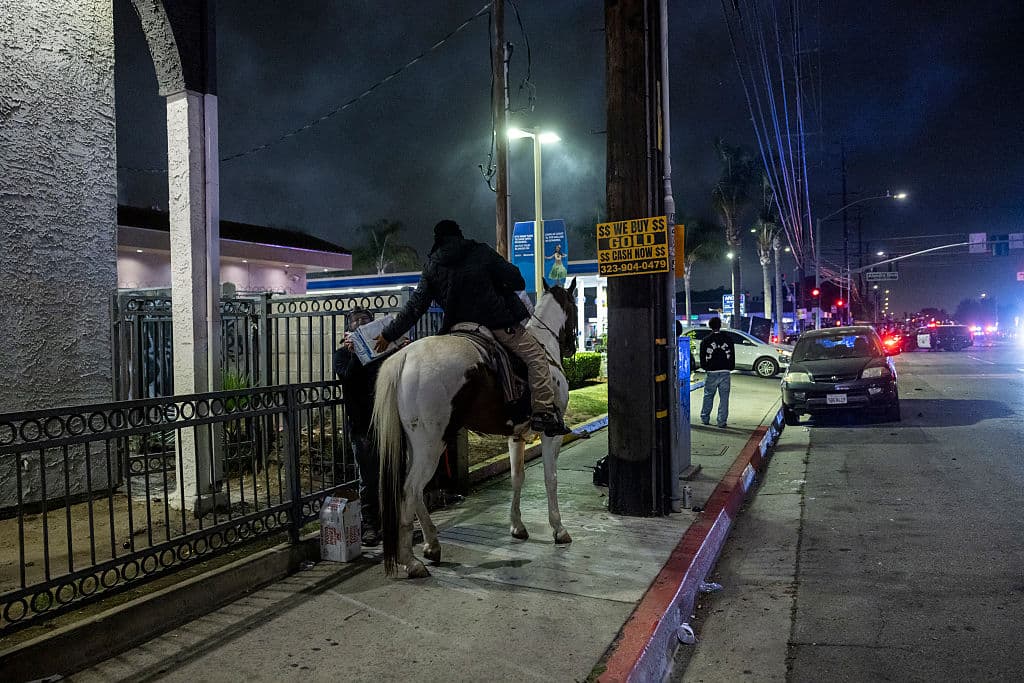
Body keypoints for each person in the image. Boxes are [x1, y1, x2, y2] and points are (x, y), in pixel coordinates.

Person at [373, 219, 569, 436]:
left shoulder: (432, 265)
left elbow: (415, 306)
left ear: (437, 240)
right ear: (460, 235)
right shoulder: (480, 251)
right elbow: (517, 280)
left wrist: (387, 334)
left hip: (457, 328)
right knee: (536, 355)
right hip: (495, 323)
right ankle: (543, 412)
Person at [333, 307, 386, 546]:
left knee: (392, 474)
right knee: (369, 479)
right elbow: (348, 378)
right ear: (349, 328)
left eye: (366, 320)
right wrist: (356, 353)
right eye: (356, 321)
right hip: (361, 425)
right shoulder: (342, 355)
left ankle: (393, 522)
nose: (361, 323)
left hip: (386, 422)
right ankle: (371, 525)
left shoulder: (383, 352)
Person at [699, 317, 735, 428]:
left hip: (711, 372)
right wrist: (730, 367)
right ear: (720, 325)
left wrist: (705, 367)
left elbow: (702, 356)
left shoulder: (706, 340)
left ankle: (705, 418)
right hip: (725, 371)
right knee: (724, 398)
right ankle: (721, 421)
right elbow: (732, 355)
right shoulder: (728, 339)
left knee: (708, 396)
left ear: (710, 326)